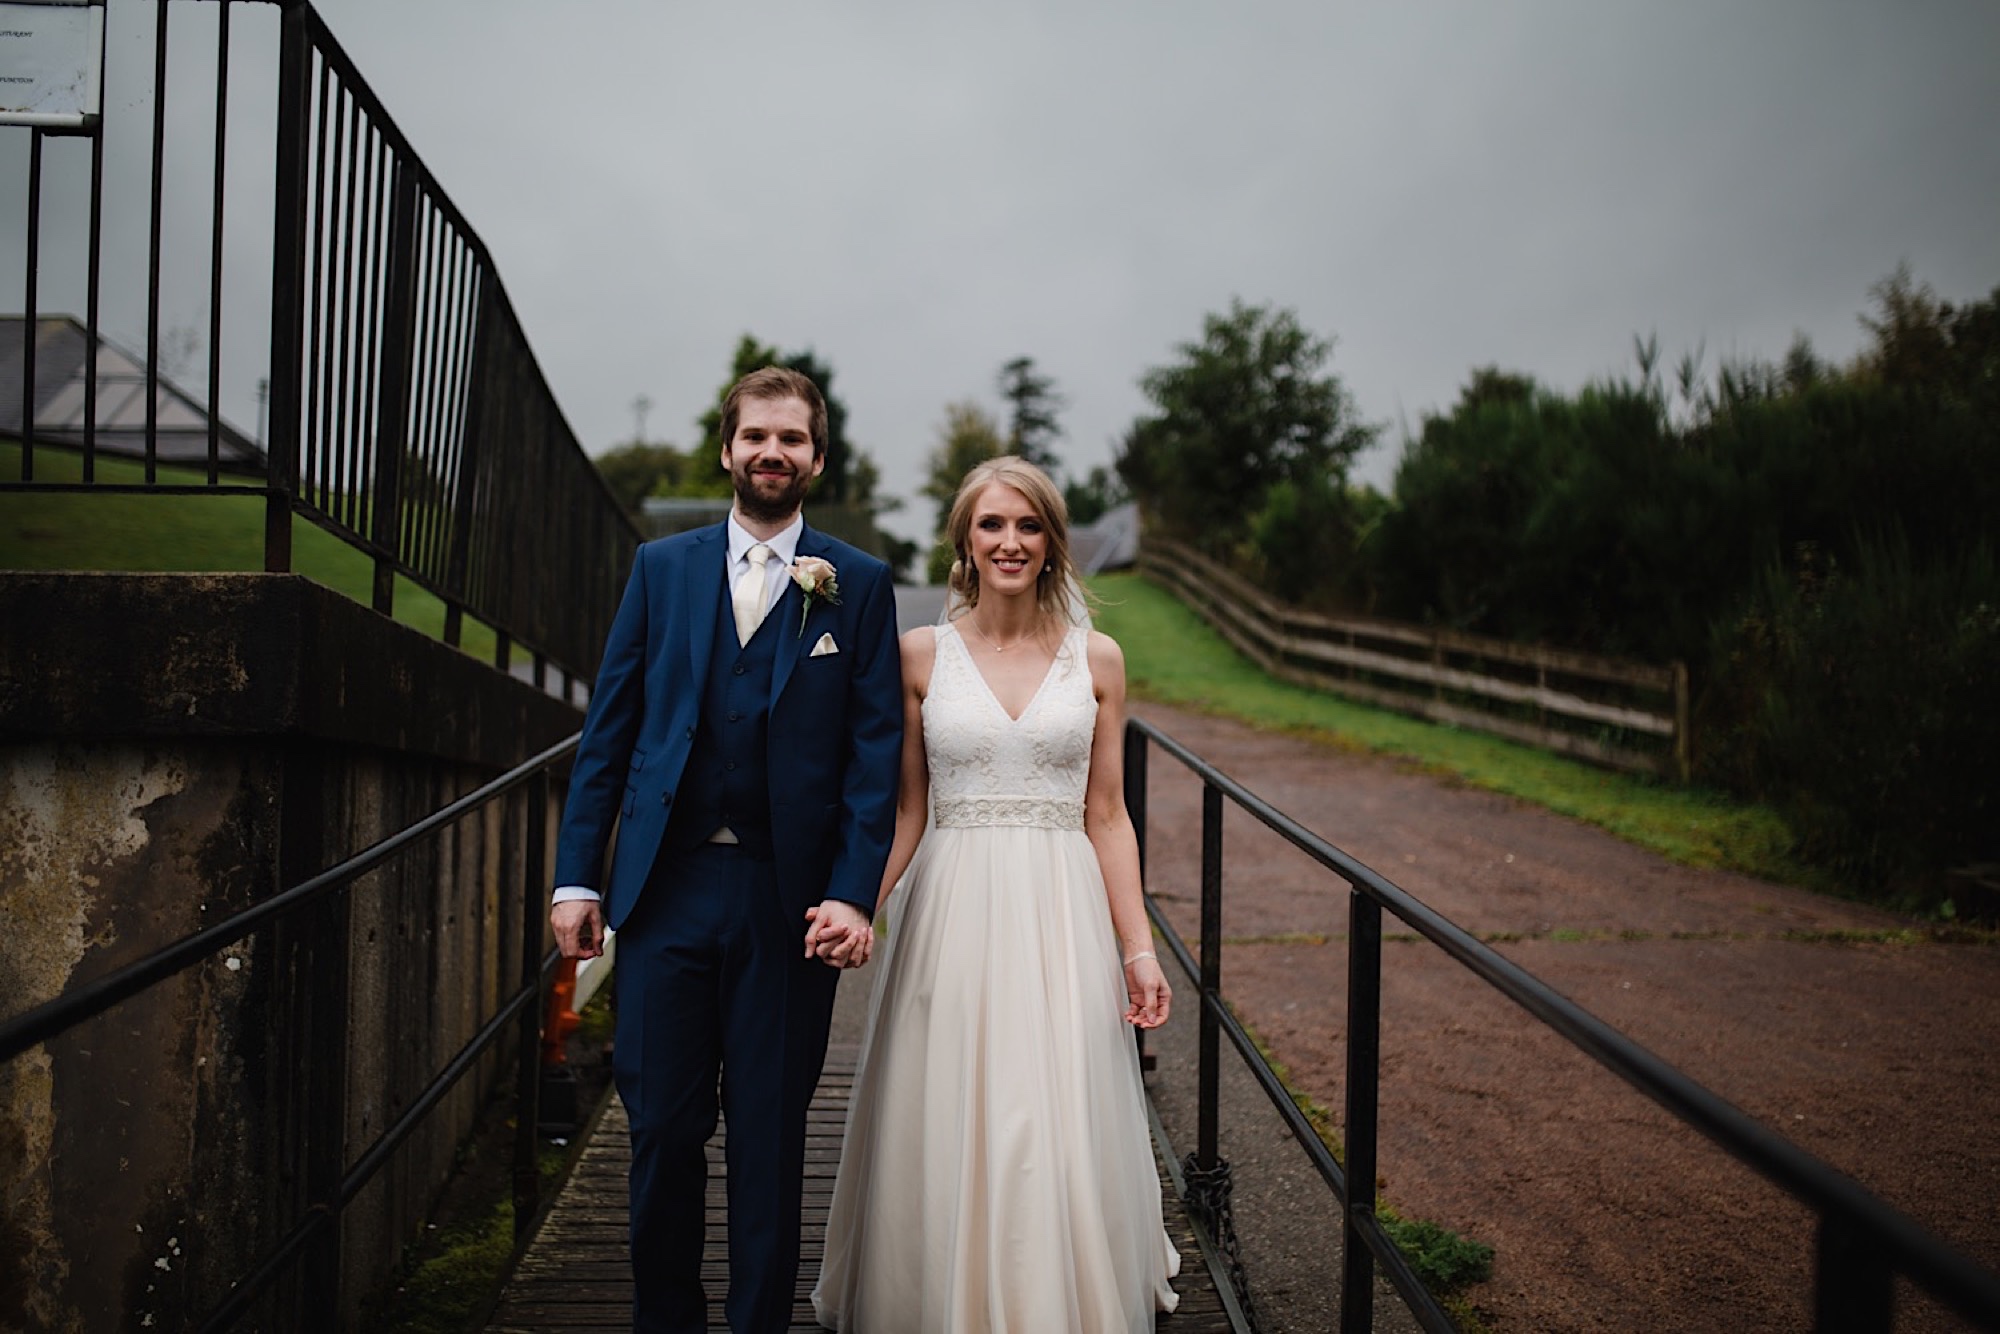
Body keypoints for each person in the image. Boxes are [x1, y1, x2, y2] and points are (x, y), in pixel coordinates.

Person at [550, 366, 903, 1334]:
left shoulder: (856, 586)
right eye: (757, 435)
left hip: (787, 905)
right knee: (660, 1126)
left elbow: (875, 761)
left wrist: (853, 894)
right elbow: (610, 731)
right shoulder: (659, 570)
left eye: (791, 438)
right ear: (727, 448)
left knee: (767, 1140)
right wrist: (578, 873)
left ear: (816, 459)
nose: (772, 452)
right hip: (663, 893)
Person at [812, 456, 1181, 1332]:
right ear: (965, 541)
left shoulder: (1099, 659)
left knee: (1053, 1109)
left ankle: (1053, 1295)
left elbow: (1109, 815)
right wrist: (860, 900)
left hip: (1061, 908)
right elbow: (907, 809)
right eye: (992, 526)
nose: (1009, 542)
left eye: (1028, 526)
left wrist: (1138, 949)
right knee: (948, 1101)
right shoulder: (918, 656)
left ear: (1052, 542)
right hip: (955, 909)